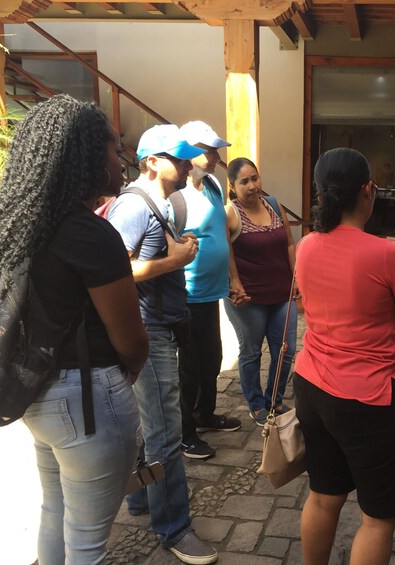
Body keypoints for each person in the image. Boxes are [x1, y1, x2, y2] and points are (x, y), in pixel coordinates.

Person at [0, 94, 148, 563]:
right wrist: (127, 371)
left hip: (38, 395)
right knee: (87, 542)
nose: (121, 157)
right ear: (86, 158)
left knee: (56, 511)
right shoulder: (90, 234)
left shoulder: (23, 226)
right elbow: (131, 341)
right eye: (113, 148)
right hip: (89, 401)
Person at [293, 147, 395, 565]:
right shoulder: (388, 255)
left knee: (323, 496)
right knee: (378, 519)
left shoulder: (306, 246)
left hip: (312, 385)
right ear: (368, 191)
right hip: (368, 398)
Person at [107, 124, 218, 564]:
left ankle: (140, 500)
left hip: (162, 325)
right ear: (152, 161)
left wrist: (178, 250)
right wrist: (174, 259)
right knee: (165, 432)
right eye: (179, 155)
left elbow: (145, 258)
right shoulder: (133, 206)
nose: (188, 161)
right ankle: (173, 527)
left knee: (146, 425)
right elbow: (112, 270)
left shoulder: (160, 202)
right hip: (148, 330)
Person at [171, 121, 245, 460]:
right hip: (186, 294)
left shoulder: (214, 185)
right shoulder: (174, 195)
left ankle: (205, 415)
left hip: (212, 292)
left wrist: (233, 280)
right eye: (208, 150)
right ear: (188, 152)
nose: (216, 156)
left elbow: (223, 237)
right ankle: (185, 434)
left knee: (211, 359)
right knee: (189, 368)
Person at [224, 157, 296, 426]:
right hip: (249, 298)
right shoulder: (230, 213)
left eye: (255, 178)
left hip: (281, 294)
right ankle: (256, 403)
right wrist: (235, 283)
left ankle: (274, 399)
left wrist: (295, 274)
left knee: (285, 350)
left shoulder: (274, 205)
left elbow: (289, 243)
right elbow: (226, 251)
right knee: (252, 351)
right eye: (245, 181)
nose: (252, 185)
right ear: (233, 186)